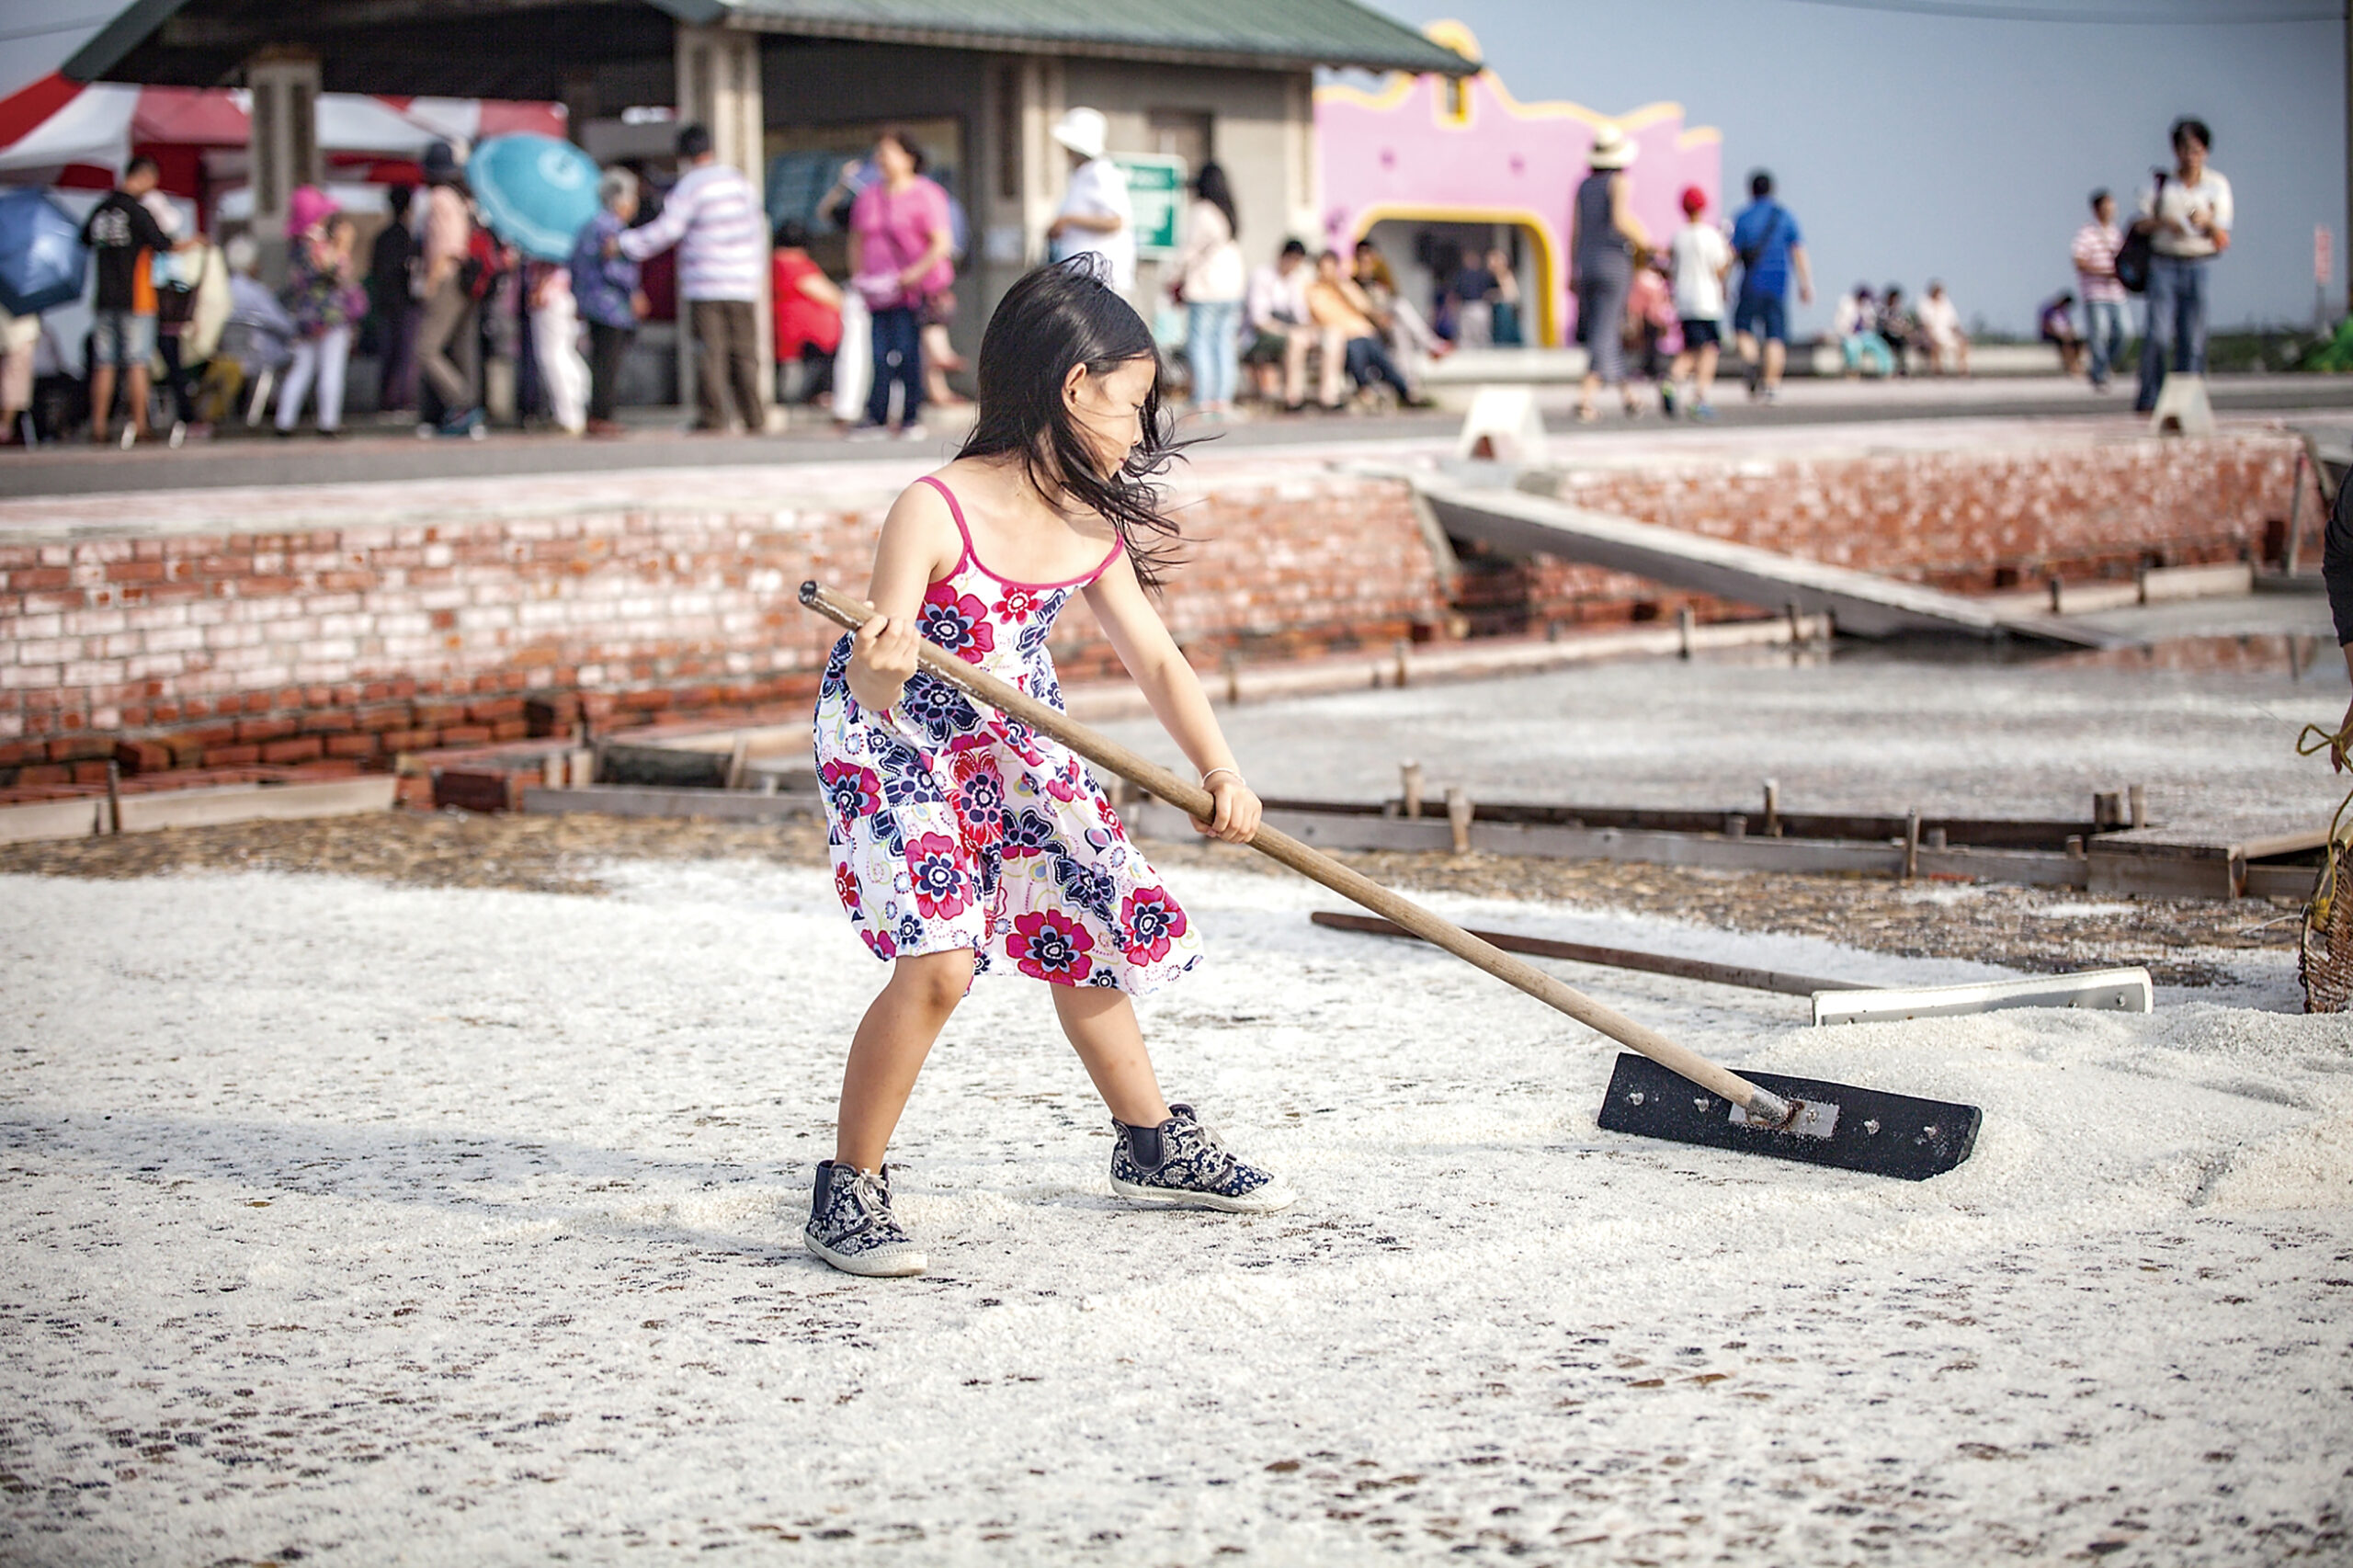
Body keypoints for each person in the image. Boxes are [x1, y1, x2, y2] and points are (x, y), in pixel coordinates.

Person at [804, 257, 1296, 1277]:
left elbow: (1155, 657)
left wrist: (1220, 770)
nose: (1137, 431)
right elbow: (876, 674)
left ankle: (1152, 1144)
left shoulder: (1087, 518)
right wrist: (883, 661)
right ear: (1073, 389)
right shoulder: (932, 508)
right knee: (941, 958)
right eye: (1129, 405)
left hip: (1014, 737)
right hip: (895, 741)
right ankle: (848, 1187)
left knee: (1096, 919)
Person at [619, 122, 767, 433]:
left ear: (683, 154)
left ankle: (714, 419)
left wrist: (625, 243)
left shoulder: (691, 186)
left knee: (710, 352)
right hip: (743, 282)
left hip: (706, 282)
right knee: (745, 352)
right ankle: (754, 418)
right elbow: (758, 227)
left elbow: (668, 230)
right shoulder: (740, 183)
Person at [847, 128, 954, 437]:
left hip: (913, 289)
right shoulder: (869, 196)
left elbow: (940, 243)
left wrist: (914, 274)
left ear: (909, 157)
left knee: (908, 351)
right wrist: (859, 275)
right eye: (879, 153)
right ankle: (876, 414)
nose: (882, 159)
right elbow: (857, 239)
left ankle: (910, 415)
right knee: (879, 352)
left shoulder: (927, 194)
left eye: (889, 152)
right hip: (877, 289)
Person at [77, 154, 188, 447]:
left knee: (104, 364)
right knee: (138, 362)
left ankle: (99, 425)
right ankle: (140, 425)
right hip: (137, 298)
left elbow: (84, 240)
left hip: (104, 298)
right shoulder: (137, 211)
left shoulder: (101, 209)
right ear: (145, 176)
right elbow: (164, 244)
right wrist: (193, 243)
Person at [2134, 116, 2231, 414]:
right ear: (2175, 151)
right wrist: (2165, 222)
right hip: (2164, 263)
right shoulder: (2162, 184)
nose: (2191, 156)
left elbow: (2224, 235)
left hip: (2198, 263)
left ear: (2206, 152)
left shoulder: (2216, 186)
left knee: (2193, 339)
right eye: (2185, 149)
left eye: (2197, 149)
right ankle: (2150, 397)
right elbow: (2138, 224)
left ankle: (2189, 403)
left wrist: (2208, 222)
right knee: (2158, 335)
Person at [1568, 123, 1649, 421]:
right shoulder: (1619, 182)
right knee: (1605, 330)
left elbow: (1575, 232)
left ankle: (1629, 396)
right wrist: (1647, 244)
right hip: (1613, 264)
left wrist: (1573, 268)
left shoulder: (1584, 186)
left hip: (1587, 264)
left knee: (1605, 329)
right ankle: (1584, 397)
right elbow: (1620, 221)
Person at [275, 195, 365, 437]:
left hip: (305, 315)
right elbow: (335, 270)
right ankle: (328, 421)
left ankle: (285, 420)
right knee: (331, 369)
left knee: (302, 368)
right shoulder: (316, 243)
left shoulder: (295, 245)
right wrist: (343, 246)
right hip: (330, 315)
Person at [570, 165, 647, 438]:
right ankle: (602, 416)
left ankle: (598, 415)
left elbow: (577, 265)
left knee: (600, 361)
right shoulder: (612, 228)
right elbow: (615, 268)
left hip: (593, 303)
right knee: (608, 363)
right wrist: (634, 291)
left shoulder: (589, 226)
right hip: (611, 306)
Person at [415, 142, 483, 437]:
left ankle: (463, 402)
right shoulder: (464, 198)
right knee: (462, 348)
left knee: (426, 349)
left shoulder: (439, 198)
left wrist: (430, 284)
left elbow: (446, 248)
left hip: (448, 277)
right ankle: (467, 413)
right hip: (470, 280)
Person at [1729, 169, 1813, 403]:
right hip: (1778, 285)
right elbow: (1798, 252)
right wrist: (1806, 284)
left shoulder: (1743, 217)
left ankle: (1753, 360)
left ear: (1750, 190)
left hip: (1750, 284)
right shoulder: (1785, 217)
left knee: (1741, 328)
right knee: (1775, 335)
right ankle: (1772, 385)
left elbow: (1731, 254)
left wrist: (1723, 283)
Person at [1173, 161, 1245, 419]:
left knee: (1200, 343)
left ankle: (1203, 398)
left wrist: (1174, 277)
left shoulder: (1202, 211)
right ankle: (1222, 399)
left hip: (1207, 288)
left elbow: (1188, 251)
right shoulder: (1229, 212)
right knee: (1223, 344)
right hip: (1232, 288)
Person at [1306, 250, 1415, 409]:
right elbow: (1322, 315)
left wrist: (1343, 288)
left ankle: (1404, 390)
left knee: (1382, 359)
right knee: (1356, 353)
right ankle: (1365, 388)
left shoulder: (1346, 286)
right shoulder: (1314, 290)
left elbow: (1365, 307)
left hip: (1364, 331)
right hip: (1343, 335)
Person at [1045, 107, 1133, 297]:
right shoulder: (1081, 175)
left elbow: (1116, 221)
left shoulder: (1101, 173)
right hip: (1080, 276)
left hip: (1100, 280)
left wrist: (1069, 220)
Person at [1666, 184, 1730, 419]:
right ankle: (1700, 396)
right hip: (1707, 300)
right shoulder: (1711, 235)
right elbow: (1719, 270)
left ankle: (1673, 379)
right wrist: (1730, 257)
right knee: (1709, 350)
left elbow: (1670, 269)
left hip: (1684, 299)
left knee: (1691, 348)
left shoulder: (1678, 236)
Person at [769, 218, 843, 408]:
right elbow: (831, 296)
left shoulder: (771, 263)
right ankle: (820, 395)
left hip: (788, 336)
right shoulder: (793, 264)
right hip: (807, 339)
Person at [1243, 239, 1316, 408]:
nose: (1294, 265)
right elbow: (1259, 321)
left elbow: (1302, 316)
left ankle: (1326, 396)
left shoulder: (1295, 281)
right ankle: (1293, 397)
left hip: (1287, 332)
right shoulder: (1262, 276)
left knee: (1326, 339)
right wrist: (1289, 331)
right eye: (1292, 259)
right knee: (1296, 340)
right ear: (1282, 256)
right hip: (1256, 337)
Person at [368, 185, 420, 414]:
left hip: (384, 303)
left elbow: (374, 271)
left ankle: (385, 399)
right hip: (405, 302)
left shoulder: (381, 238)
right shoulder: (407, 238)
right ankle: (399, 399)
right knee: (404, 353)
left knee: (388, 353)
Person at [2072, 188, 2128, 391]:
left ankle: (2103, 365)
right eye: (2107, 206)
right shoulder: (2088, 233)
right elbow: (2078, 260)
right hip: (2095, 293)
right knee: (2099, 334)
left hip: (2117, 293)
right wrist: (2102, 272)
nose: (2111, 211)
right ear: (2097, 209)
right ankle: (2099, 374)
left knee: (2125, 333)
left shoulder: (2116, 233)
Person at [1834, 281, 1893, 377]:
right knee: (1853, 347)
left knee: (1880, 345)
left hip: (1864, 335)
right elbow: (1842, 325)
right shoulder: (1846, 305)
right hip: (1849, 335)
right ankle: (1853, 371)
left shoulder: (1867, 307)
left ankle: (1886, 371)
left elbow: (1870, 324)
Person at [1916, 279, 1969, 375]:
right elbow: (1925, 324)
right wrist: (1931, 337)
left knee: (1962, 344)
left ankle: (1963, 371)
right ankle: (1938, 371)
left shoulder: (1945, 303)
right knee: (1935, 345)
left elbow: (1954, 322)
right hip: (1931, 335)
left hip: (1947, 334)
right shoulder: (1924, 302)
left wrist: (1961, 335)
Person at [2038, 290, 2085, 378]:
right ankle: (2071, 366)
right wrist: (2060, 335)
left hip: (2064, 334)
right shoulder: (2049, 310)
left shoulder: (2063, 312)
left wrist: (2071, 333)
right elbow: (2046, 326)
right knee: (2066, 343)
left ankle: (2076, 363)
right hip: (2052, 334)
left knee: (2079, 342)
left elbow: (2069, 325)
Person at [1486, 247, 1524, 347]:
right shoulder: (1504, 274)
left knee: (1505, 337)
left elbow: (1507, 293)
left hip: (1506, 306)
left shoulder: (1502, 274)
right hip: (1507, 305)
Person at [1879, 286, 1918, 375]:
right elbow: (1885, 324)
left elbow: (1905, 323)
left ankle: (1902, 368)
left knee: (1903, 343)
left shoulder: (1899, 310)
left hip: (1897, 335)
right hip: (1885, 335)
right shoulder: (1883, 309)